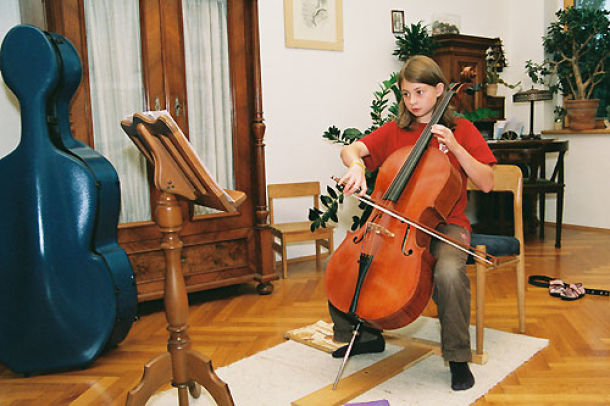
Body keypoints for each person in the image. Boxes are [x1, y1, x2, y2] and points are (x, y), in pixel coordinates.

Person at [329, 55, 496, 391]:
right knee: (349, 260)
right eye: (406, 94)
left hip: (448, 225)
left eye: (419, 92)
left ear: (439, 90)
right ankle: (364, 335)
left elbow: (487, 180)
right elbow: (353, 150)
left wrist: (457, 148)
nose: (412, 101)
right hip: (394, 222)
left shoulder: (462, 130)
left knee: (449, 272)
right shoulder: (395, 131)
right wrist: (357, 167)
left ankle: (458, 357)